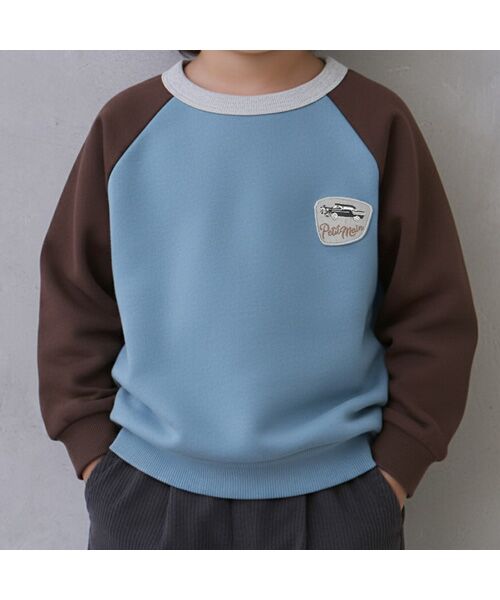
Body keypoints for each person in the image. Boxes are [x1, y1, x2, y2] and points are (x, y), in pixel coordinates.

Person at [37, 50, 478, 550]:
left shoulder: (376, 122)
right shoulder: (126, 124)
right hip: (146, 494)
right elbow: (74, 300)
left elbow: (433, 315)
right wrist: (95, 456)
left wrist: (394, 472)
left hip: (342, 499)